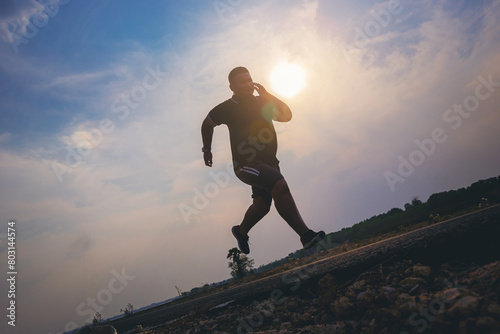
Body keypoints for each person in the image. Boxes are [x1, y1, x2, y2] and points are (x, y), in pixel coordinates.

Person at [201, 66, 325, 254]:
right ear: (232, 87)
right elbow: (207, 124)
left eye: (249, 80)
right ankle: (306, 235)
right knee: (280, 186)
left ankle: (240, 231)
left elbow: (286, 116)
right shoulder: (227, 108)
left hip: (269, 162)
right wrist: (207, 149)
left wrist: (268, 96)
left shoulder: (262, 102)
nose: (247, 84)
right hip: (246, 164)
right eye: (241, 82)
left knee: (262, 206)